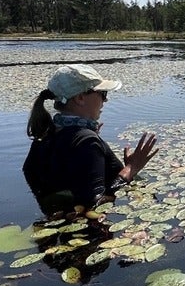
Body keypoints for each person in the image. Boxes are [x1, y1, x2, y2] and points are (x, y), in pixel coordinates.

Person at [22, 64, 158, 217]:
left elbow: (33, 175)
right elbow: (95, 204)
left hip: (59, 225)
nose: (105, 100)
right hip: (89, 235)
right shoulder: (86, 141)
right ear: (80, 98)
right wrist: (131, 169)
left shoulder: (45, 134)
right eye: (102, 93)